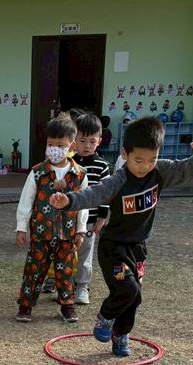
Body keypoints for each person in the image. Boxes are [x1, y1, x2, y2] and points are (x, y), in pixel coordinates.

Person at [50, 117, 193, 355]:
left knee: (134, 297)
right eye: (139, 160)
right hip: (113, 249)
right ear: (125, 154)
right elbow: (94, 194)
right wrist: (68, 201)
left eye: (152, 159)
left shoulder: (160, 172)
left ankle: (120, 335)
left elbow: (187, 169)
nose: (145, 166)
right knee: (127, 289)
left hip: (137, 249)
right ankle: (105, 317)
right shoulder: (119, 179)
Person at [15, 114, 88, 323]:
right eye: (50, 144)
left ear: (71, 146)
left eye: (60, 145)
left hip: (68, 235)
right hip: (41, 234)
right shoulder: (37, 173)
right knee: (34, 270)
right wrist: (21, 228)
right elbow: (26, 201)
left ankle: (67, 306)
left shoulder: (80, 175)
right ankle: (26, 305)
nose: (54, 149)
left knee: (66, 271)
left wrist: (81, 230)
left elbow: (84, 205)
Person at [72, 112, 111, 306]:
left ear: (99, 141)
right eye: (82, 141)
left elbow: (106, 194)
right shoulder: (69, 163)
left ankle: (82, 286)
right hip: (68, 219)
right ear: (74, 140)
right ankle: (64, 284)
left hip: (90, 220)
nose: (87, 146)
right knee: (65, 252)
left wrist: (102, 218)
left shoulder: (102, 166)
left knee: (85, 253)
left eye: (92, 141)